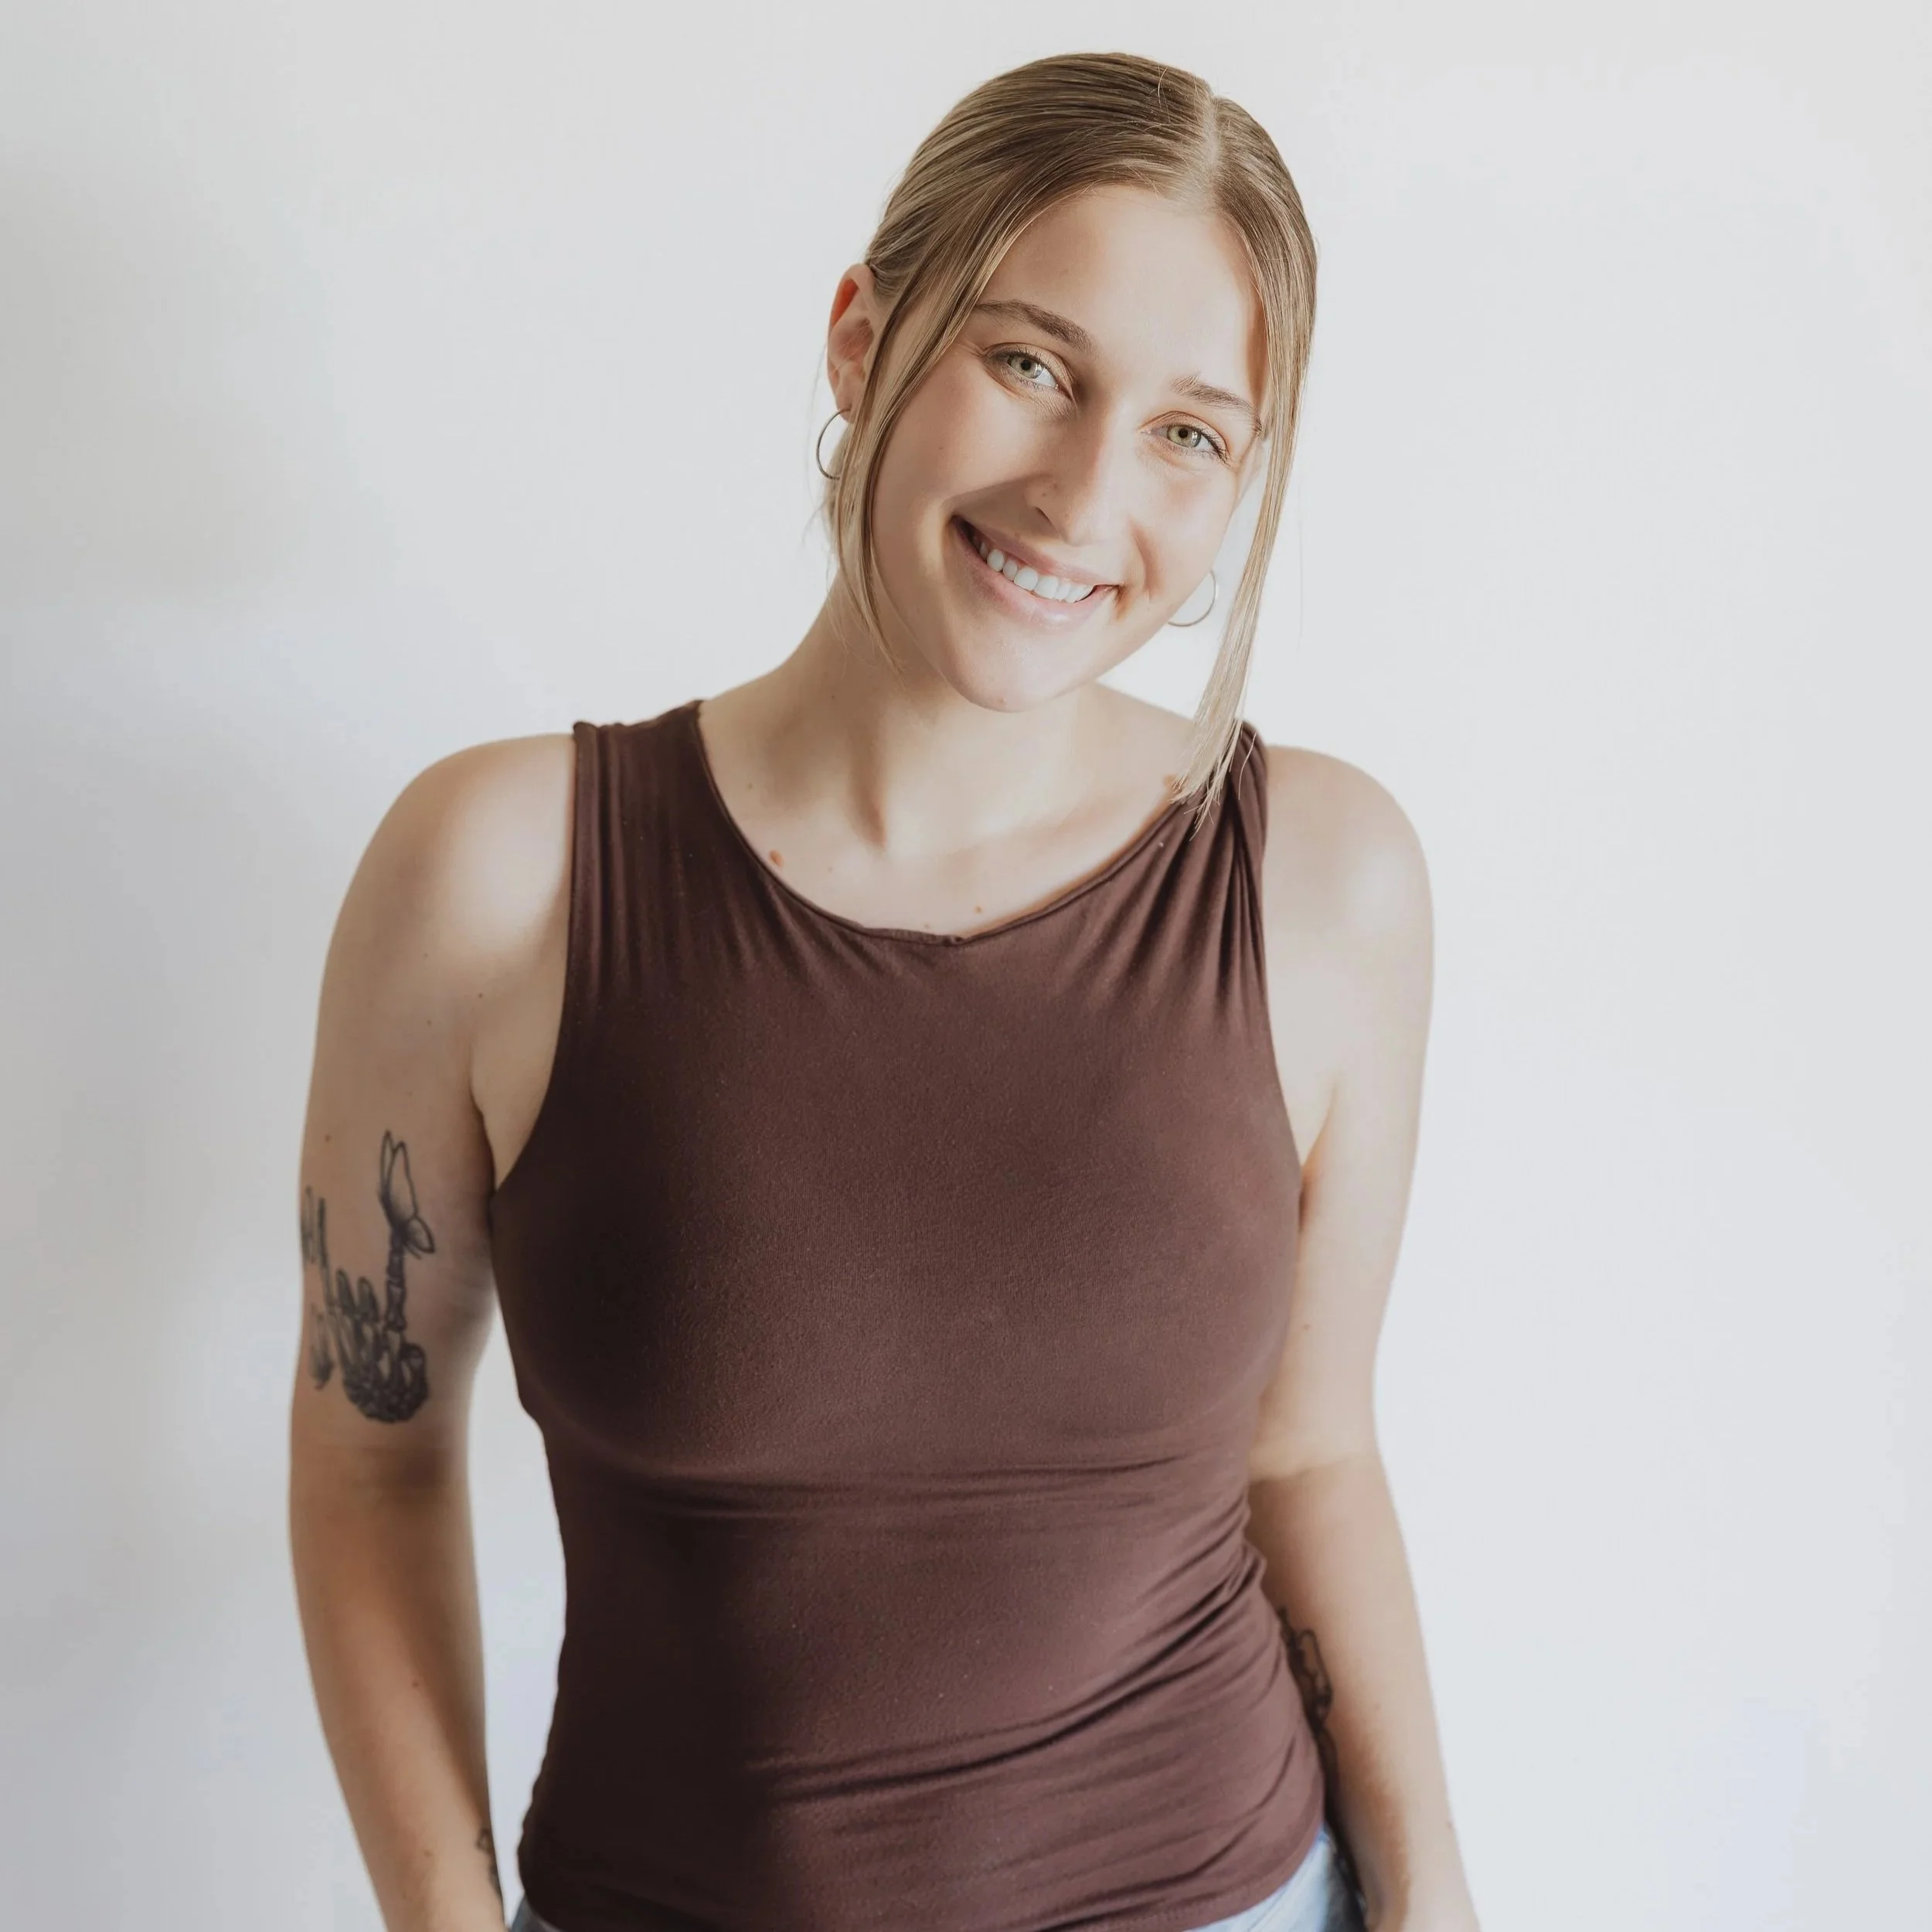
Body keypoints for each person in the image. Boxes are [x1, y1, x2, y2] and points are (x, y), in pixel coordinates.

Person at [288, 49, 1479, 1932]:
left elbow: (1308, 1443)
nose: (1086, 495)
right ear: (861, 337)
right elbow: (369, 1452)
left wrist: (1432, 1902)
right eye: (1029, 363)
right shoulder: (498, 876)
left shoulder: (1321, 883)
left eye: (1188, 431)